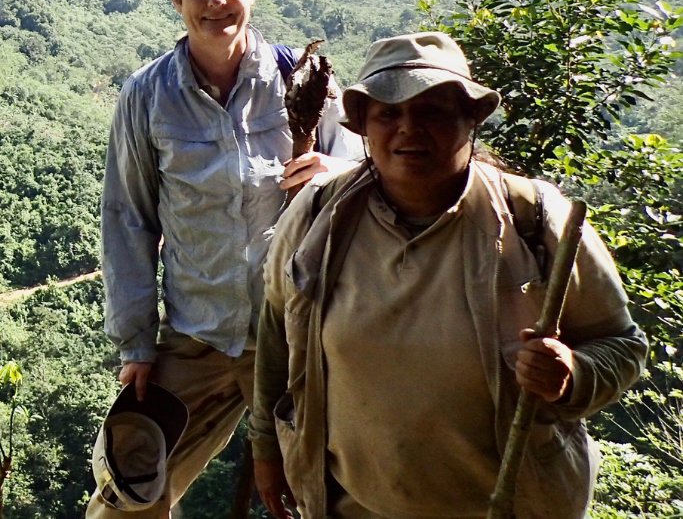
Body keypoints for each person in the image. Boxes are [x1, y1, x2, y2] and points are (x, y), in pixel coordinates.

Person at [249, 31, 648, 519]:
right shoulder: (318, 216)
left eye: (433, 110)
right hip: (353, 505)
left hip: (511, 505)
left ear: (471, 120)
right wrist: (266, 447)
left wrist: (571, 375)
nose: (408, 128)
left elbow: (623, 346)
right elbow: (276, 332)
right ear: (362, 127)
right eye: (388, 113)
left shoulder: (534, 218)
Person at [86, 0, 362, 518]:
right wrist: (136, 341)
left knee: (335, 498)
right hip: (196, 334)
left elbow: (367, 166)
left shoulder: (302, 77)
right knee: (126, 503)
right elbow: (127, 219)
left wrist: (332, 172)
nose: (216, 1)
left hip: (296, 334)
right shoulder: (147, 95)